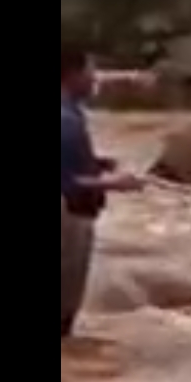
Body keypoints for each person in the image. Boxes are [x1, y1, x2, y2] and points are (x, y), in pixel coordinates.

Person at [60, 42, 146, 341]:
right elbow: (68, 181)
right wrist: (116, 183)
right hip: (69, 217)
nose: (95, 77)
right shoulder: (66, 119)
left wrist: (98, 163)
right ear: (71, 75)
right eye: (90, 70)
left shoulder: (71, 113)